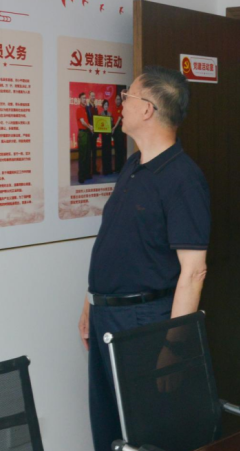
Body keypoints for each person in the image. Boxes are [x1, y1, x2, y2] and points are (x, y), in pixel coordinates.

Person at [78, 67, 211, 451]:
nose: (121, 104)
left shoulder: (183, 178)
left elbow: (193, 272)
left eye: (128, 97)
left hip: (145, 322)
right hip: (107, 315)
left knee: (144, 431)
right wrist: (91, 301)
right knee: (109, 426)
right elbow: (117, 241)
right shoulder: (134, 166)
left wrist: (174, 346)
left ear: (148, 109)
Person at [76, 92, 93, 183]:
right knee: (82, 156)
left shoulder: (86, 109)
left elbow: (87, 121)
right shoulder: (79, 109)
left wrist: (91, 127)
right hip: (82, 134)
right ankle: (81, 176)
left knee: (87, 155)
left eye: (85, 98)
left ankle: (87, 174)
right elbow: (82, 122)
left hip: (87, 134)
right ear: (80, 99)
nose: (84, 99)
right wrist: (90, 127)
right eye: (83, 98)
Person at [98, 100, 114, 175]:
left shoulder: (110, 114)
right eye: (105, 105)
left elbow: (112, 124)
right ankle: (105, 170)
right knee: (104, 152)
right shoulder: (100, 114)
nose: (106, 106)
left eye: (107, 105)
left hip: (109, 135)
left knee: (109, 152)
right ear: (103, 106)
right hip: (104, 136)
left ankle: (109, 169)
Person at [112, 92, 126, 173]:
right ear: (114, 100)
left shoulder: (122, 108)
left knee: (121, 149)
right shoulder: (113, 108)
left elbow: (119, 119)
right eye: (117, 99)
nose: (118, 101)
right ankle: (117, 168)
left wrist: (114, 127)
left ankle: (121, 168)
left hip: (119, 130)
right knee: (116, 149)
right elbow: (112, 119)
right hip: (115, 131)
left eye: (119, 99)